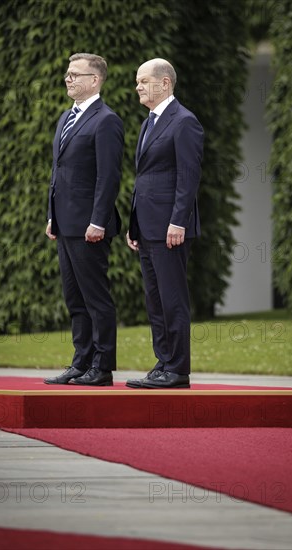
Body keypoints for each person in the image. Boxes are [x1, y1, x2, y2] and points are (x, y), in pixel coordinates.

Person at [44, 53, 124, 387]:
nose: (68, 79)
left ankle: (102, 367)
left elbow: (109, 177)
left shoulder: (106, 120)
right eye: (67, 73)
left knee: (95, 298)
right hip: (64, 223)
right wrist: (52, 215)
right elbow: (58, 171)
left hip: (90, 226)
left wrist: (98, 220)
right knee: (75, 299)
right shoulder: (66, 117)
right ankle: (81, 362)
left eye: (75, 74)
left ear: (95, 80)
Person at [126, 58, 204, 389]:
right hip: (147, 227)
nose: (138, 86)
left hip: (170, 228)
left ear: (166, 84)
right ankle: (163, 363)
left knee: (172, 298)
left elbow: (188, 176)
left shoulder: (184, 121)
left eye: (144, 81)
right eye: (137, 81)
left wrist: (178, 221)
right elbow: (145, 177)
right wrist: (134, 224)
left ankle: (178, 370)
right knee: (154, 299)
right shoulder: (149, 122)